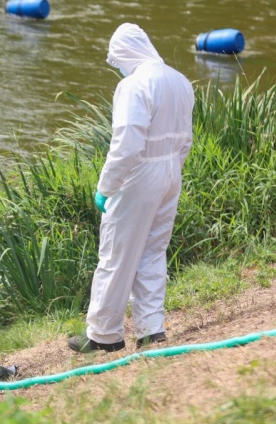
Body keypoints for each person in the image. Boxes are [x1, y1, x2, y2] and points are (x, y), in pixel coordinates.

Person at [69, 23, 194, 353]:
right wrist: (171, 172)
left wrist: (106, 187)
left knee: (116, 254)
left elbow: (127, 145)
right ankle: (151, 329)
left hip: (139, 174)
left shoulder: (133, 85)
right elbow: (186, 140)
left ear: (124, 53)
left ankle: (103, 335)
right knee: (153, 250)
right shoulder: (180, 81)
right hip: (170, 173)